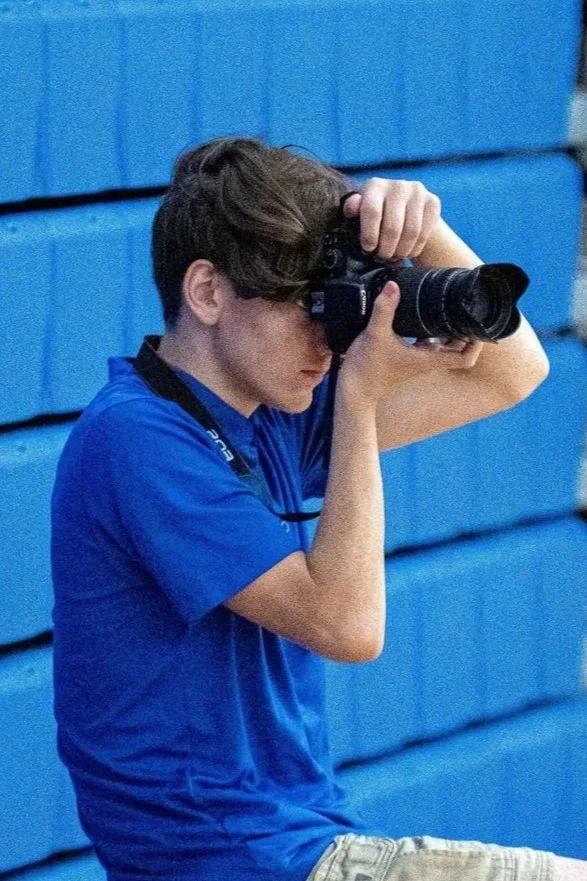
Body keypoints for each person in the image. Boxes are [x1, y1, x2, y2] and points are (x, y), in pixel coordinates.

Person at [51, 137, 587, 881]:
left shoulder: (268, 412)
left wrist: (419, 232)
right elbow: (347, 624)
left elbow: (515, 370)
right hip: (230, 860)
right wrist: (360, 398)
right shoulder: (137, 436)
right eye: (306, 309)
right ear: (206, 292)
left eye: (331, 310)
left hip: (295, 842)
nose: (327, 343)